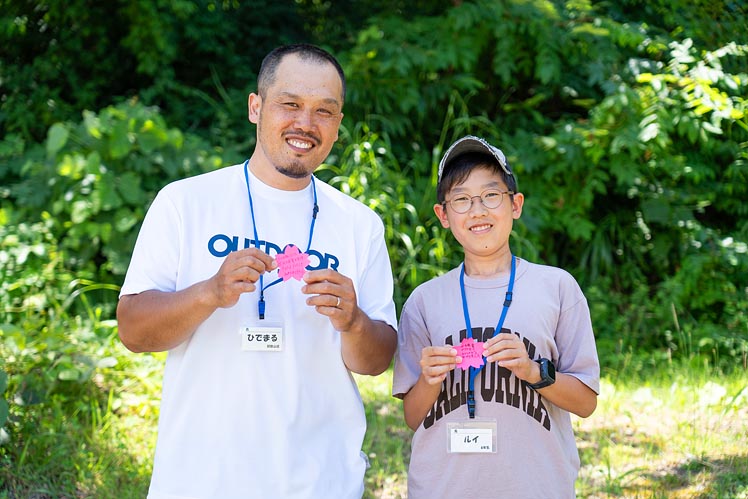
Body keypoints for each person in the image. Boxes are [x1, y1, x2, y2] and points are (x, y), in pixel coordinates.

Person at [117, 44, 398, 499]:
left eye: (324, 111)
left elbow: (376, 361)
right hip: (201, 481)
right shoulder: (185, 202)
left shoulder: (359, 224)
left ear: (338, 125)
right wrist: (209, 292)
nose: (305, 124)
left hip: (321, 483)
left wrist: (353, 322)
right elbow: (132, 330)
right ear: (256, 106)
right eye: (290, 104)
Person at [392, 135, 600, 498]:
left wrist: (534, 372)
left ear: (515, 205)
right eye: (461, 200)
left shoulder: (557, 288)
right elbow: (413, 417)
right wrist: (428, 380)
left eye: (491, 195)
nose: (478, 210)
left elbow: (586, 402)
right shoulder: (424, 301)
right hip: (443, 488)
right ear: (443, 215)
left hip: (535, 486)